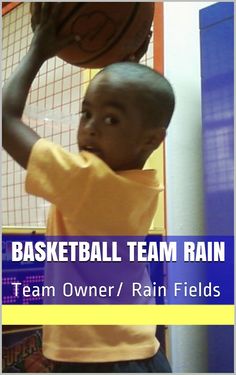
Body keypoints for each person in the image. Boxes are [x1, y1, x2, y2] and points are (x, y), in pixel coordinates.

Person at [3, 3, 175, 373]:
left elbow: (5, 120)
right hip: (141, 350)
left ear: (151, 140)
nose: (91, 128)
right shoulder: (142, 185)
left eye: (110, 119)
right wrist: (127, 61)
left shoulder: (87, 183)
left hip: (98, 361)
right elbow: (142, 108)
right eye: (86, 113)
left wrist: (38, 49)